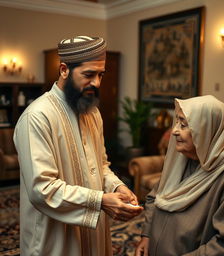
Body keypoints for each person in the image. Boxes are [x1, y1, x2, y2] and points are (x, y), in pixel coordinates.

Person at [13, 35, 143, 256]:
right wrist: (100, 201)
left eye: (100, 74)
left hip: (93, 230)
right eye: (88, 74)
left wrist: (117, 187)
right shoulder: (37, 116)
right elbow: (41, 189)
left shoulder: (92, 112)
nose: (97, 83)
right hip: (53, 235)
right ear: (64, 69)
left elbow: (101, 165)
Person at [135, 95, 224, 256]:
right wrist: (147, 235)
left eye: (183, 125)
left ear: (207, 130)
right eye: (176, 122)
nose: (174, 131)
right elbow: (154, 197)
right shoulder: (185, 157)